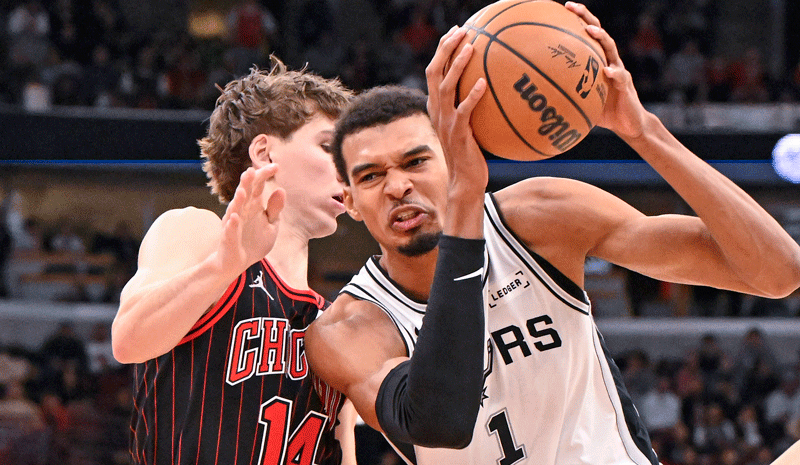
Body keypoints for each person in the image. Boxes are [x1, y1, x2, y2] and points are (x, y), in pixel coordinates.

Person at [304, 2, 800, 464]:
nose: (398, 186)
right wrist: (463, 202)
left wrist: (644, 133)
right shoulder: (349, 330)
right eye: (370, 176)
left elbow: (778, 274)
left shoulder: (541, 216)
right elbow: (440, 423)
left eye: (416, 161)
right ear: (347, 200)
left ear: (453, 153)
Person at [111, 57, 356, 465]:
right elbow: (129, 339)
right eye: (330, 147)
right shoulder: (196, 232)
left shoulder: (333, 321)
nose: (347, 170)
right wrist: (223, 266)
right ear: (263, 151)